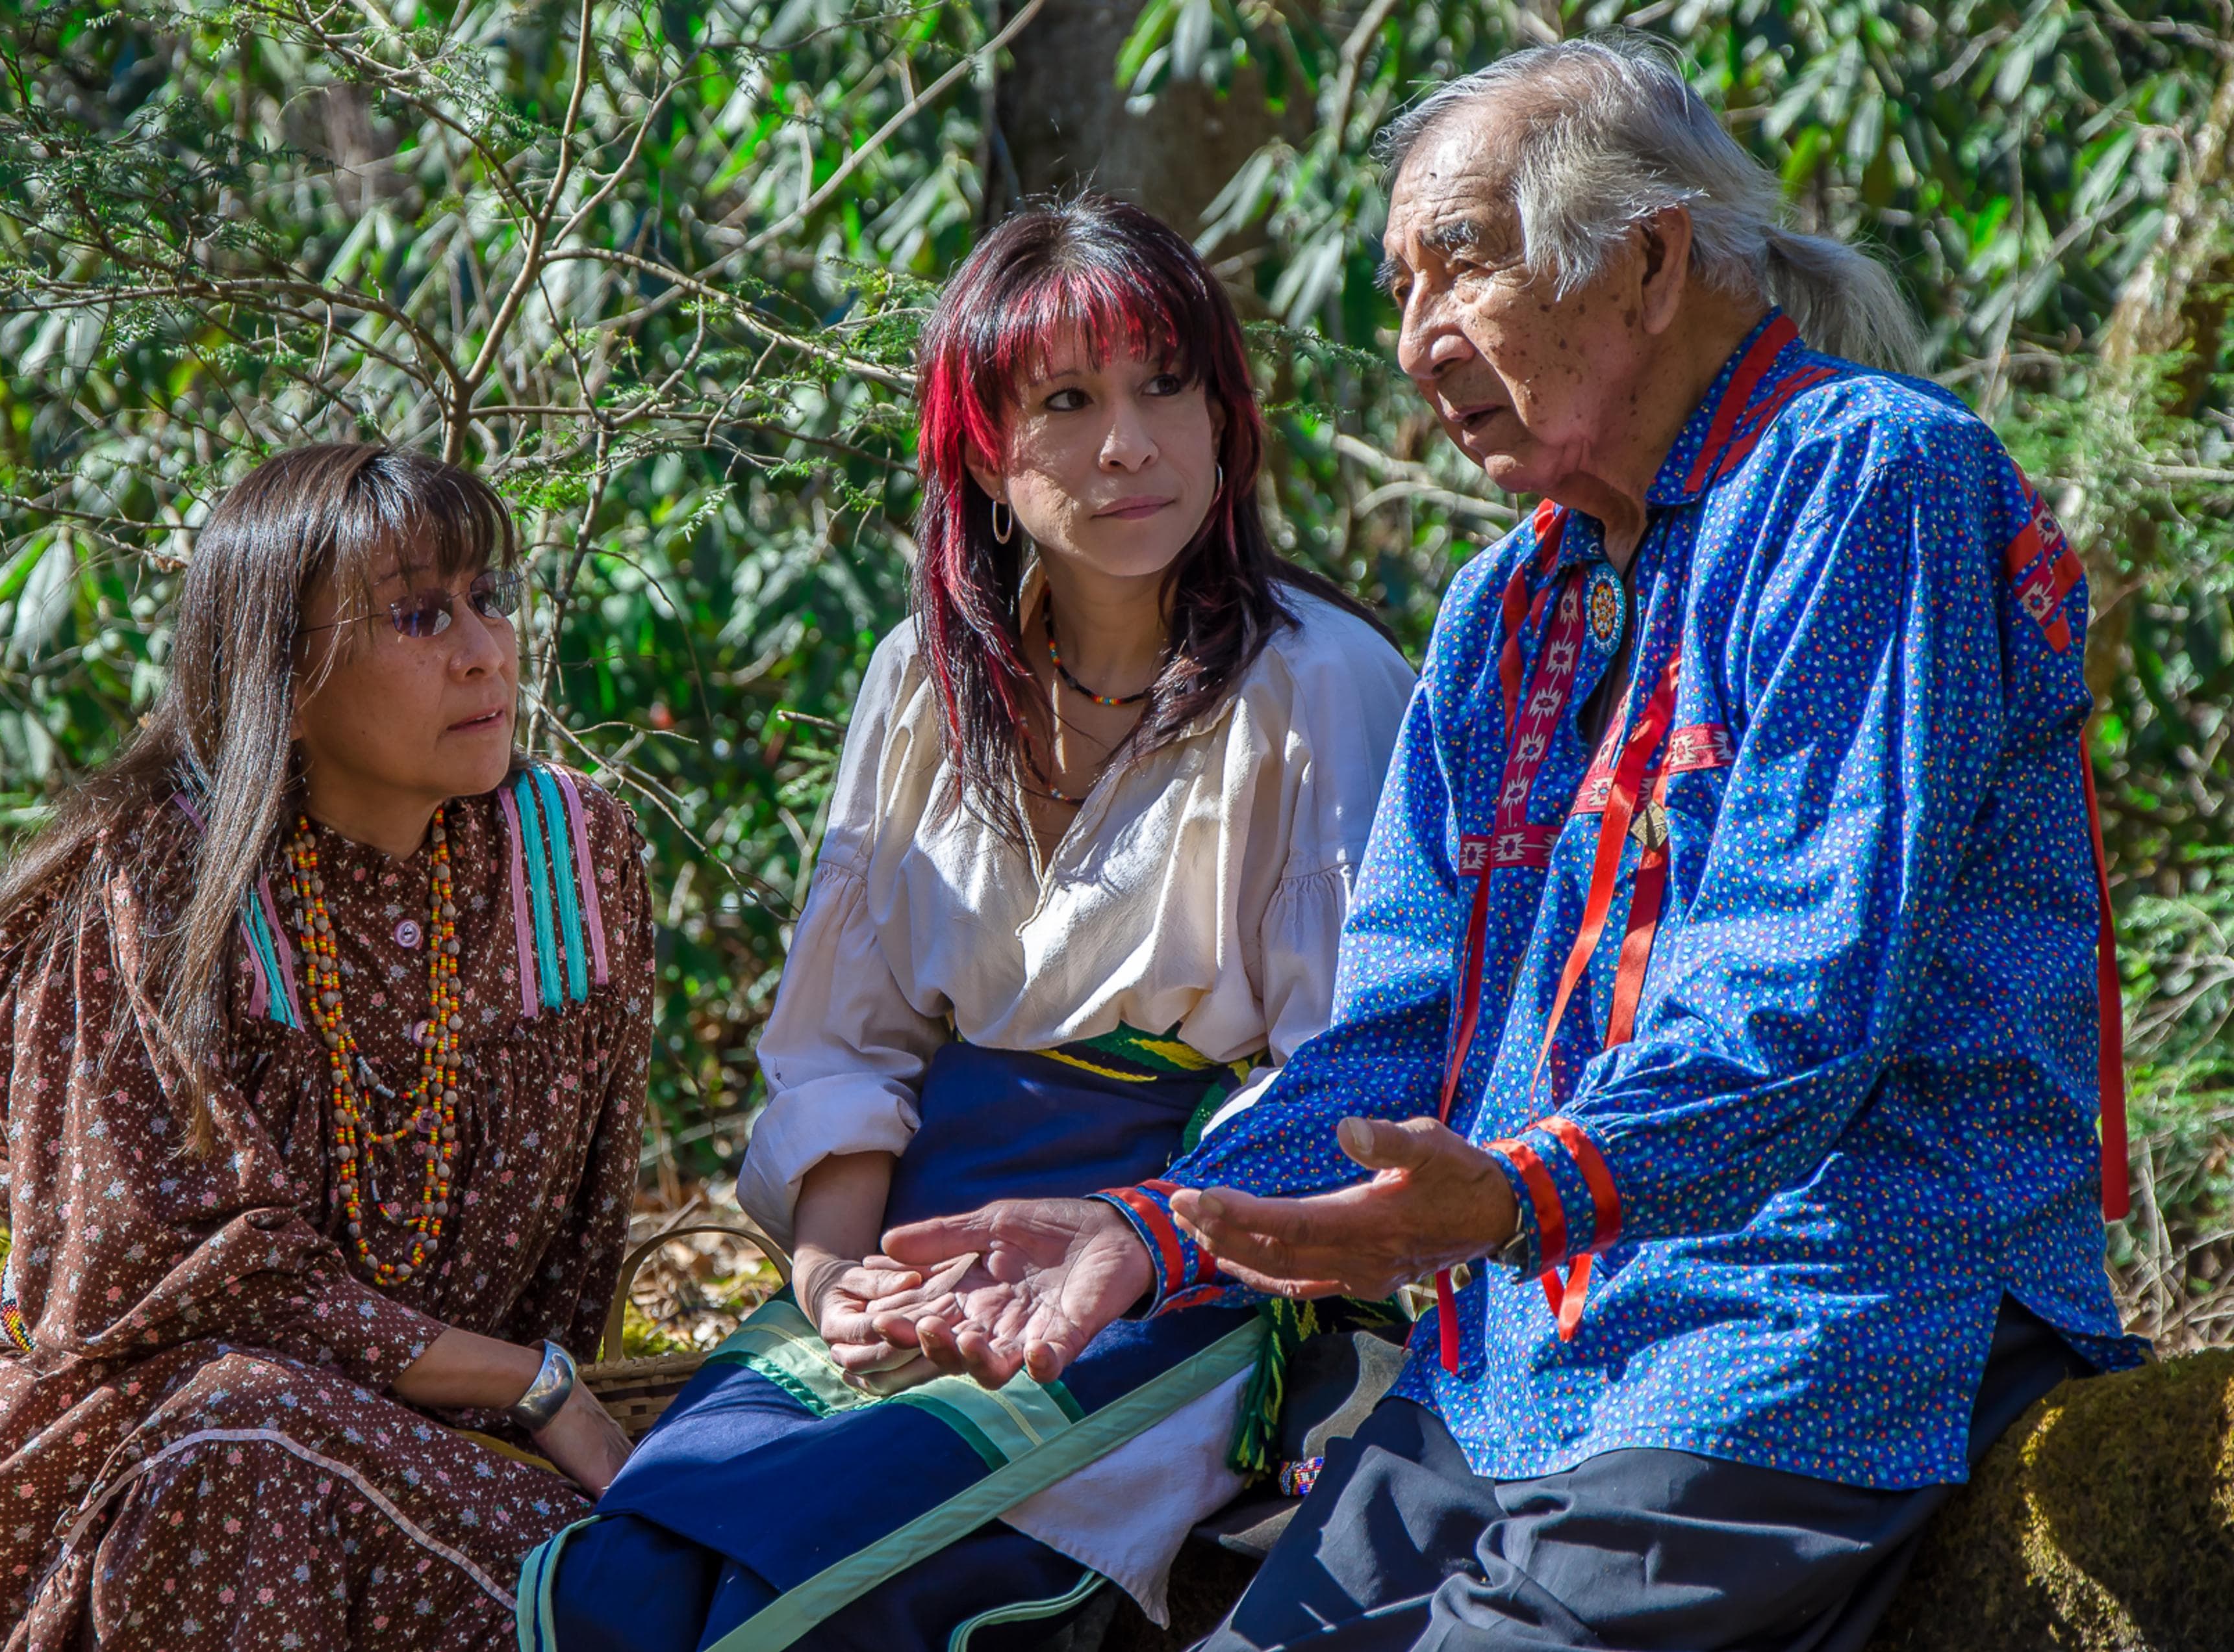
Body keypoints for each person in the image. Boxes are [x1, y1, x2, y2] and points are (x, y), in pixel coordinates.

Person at [880, 36, 2145, 1652]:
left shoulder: (1868, 479)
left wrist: (1509, 1198)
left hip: (1824, 1316)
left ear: (1651, 258)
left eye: (1456, 266)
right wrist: (1152, 1225)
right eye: (1399, 290)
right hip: (1527, 1357)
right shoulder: (1505, 605)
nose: (1416, 341)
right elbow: (1404, 1030)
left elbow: (1799, 1001)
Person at [519, 197, 1417, 1650]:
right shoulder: (922, 687)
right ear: (983, 457)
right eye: (1067, 401)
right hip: (928, 1237)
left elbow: (1353, 1074)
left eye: (1164, 386)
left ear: (1225, 419)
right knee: (637, 1578)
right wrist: (834, 1281)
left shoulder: (1321, 688)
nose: (1130, 443)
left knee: (821, 1602)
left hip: (1177, 1253)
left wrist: (1136, 1243)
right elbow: (842, 1036)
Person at [0, 446, 653, 1652]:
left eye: (487, 597)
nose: (482, 648)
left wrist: (534, 1400)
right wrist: (530, 1380)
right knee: (243, 1452)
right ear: (284, 671)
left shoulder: (578, 863)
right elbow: (160, 1276)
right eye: (417, 614)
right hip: (133, 1433)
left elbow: (588, 1215)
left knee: (645, 1574)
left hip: (454, 1458)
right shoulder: (149, 888)